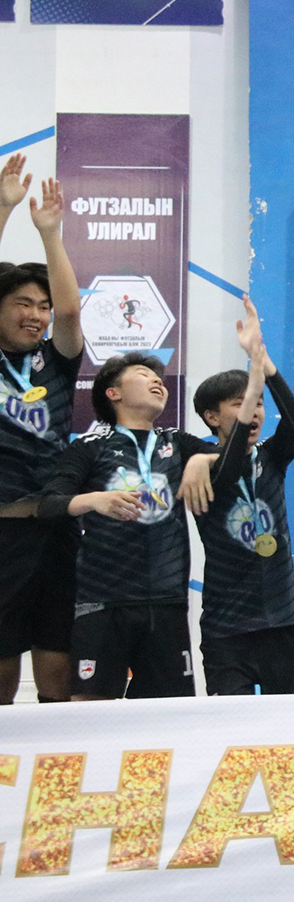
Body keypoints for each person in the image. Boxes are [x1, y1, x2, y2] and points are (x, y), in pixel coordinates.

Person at [30, 352, 222, 698]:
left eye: (158, 377)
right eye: (143, 374)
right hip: (102, 603)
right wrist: (94, 500)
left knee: (169, 716)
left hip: (167, 603)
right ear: (113, 393)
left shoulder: (177, 443)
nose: (157, 380)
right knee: (89, 708)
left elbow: (231, 459)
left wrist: (202, 459)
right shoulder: (90, 447)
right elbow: (48, 505)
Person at [0, 162, 84, 704]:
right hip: (3, 533)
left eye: (41, 306)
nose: (37, 315)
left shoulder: (54, 362)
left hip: (56, 530)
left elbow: (71, 312)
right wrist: (4, 207)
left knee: (57, 668)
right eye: (23, 304)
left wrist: (51, 233)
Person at [191, 295, 294, 695]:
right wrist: (254, 383)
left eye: (258, 404)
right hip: (227, 630)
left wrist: (265, 365)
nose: (254, 412)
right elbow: (229, 466)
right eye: (241, 404)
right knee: (229, 726)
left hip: (283, 625)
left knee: (290, 726)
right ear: (211, 417)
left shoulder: (271, 457)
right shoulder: (199, 467)